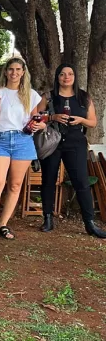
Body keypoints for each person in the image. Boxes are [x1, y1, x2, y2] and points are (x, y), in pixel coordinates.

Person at [0, 58, 45, 247]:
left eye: (18, 69)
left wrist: (40, 124)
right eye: (11, 69)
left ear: (23, 72)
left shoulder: (31, 95)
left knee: (15, 185)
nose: (14, 73)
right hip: (0, 139)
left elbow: (35, 119)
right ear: (6, 72)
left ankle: (3, 224)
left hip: (23, 140)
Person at [37, 64, 106, 238]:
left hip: (76, 143)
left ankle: (90, 224)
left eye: (70, 74)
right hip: (53, 142)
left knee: (81, 182)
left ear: (74, 77)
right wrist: (53, 117)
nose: (66, 77)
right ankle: (48, 219)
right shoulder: (49, 96)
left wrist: (81, 119)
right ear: (57, 77)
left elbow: (93, 122)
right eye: (62, 74)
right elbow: (36, 116)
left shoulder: (84, 97)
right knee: (48, 180)